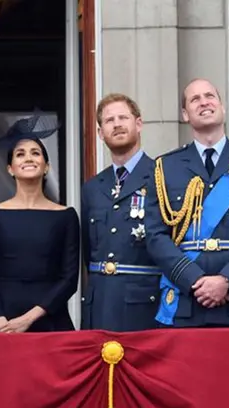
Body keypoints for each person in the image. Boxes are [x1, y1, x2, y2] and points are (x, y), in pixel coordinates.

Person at [144, 78, 229, 328]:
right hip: (186, 300)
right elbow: (155, 235)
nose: (204, 102)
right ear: (185, 114)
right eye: (195, 99)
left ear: (222, 106)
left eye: (210, 96)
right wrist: (194, 280)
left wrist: (227, 279)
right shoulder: (164, 167)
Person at [0, 111, 79, 333]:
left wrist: (29, 319)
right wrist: (1, 321)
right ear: (10, 168)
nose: (29, 158)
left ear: (46, 166)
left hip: (49, 320)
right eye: (20, 154)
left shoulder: (66, 216)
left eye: (36, 153)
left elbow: (69, 279)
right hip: (0, 323)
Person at [80, 93, 160, 331]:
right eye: (109, 120)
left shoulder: (161, 176)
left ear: (138, 123)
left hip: (144, 306)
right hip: (100, 305)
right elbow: (89, 251)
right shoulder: (93, 187)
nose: (116, 124)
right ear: (100, 133)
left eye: (123, 117)